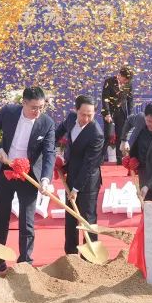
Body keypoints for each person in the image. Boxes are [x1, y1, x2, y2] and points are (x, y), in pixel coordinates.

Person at [0, 87, 56, 275]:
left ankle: (25, 263)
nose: (37, 111)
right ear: (23, 103)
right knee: (1, 218)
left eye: (41, 107)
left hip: (28, 175)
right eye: (33, 107)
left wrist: (46, 179)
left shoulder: (47, 123)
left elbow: (49, 152)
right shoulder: (9, 112)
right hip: (5, 170)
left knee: (27, 221)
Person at [55, 95, 105, 256]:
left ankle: (90, 255)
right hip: (71, 174)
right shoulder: (70, 119)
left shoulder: (96, 134)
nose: (86, 118)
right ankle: (71, 254)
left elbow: (89, 165)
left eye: (90, 115)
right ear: (76, 110)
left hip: (88, 180)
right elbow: (58, 132)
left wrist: (76, 189)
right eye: (83, 114)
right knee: (71, 216)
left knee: (88, 218)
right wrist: (52, 149)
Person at [101, 65, 134, 165]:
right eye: (125, 79)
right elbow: (105, 98)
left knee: (121, 135)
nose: (126, 82)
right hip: (110, 112)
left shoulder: (128, 84)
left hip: (121, 113)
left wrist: (131, 114)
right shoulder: (109, 81)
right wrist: (107, 113)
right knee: (108, 135)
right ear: (120, 75)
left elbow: (130, 100)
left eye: (128, 80)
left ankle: (120, 160)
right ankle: (99, 159)